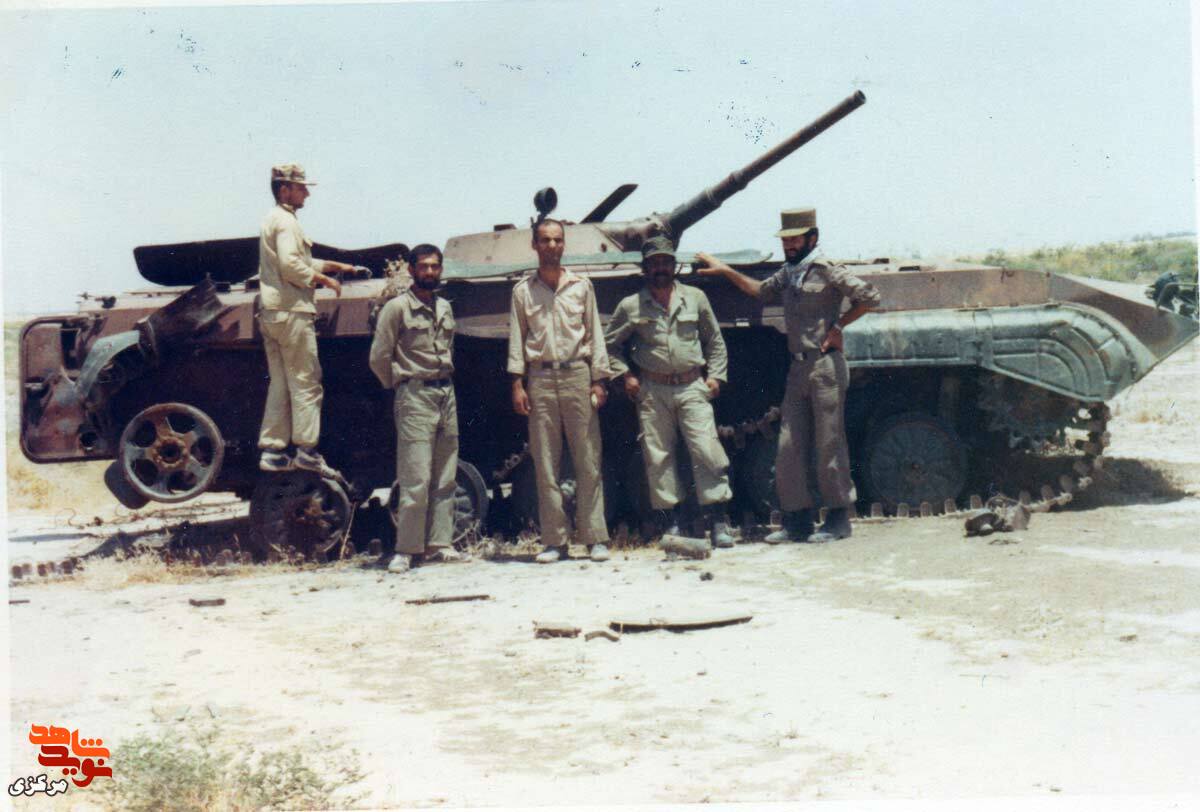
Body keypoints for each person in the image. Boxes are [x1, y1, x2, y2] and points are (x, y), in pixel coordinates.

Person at [696, 208, 880, 542]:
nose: (789, 245)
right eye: (786, 240)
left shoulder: (826, 269)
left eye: (795, 239)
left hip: (825, 366)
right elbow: (759, 290)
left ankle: (838, 519)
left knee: (829, 444)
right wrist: (725, 270)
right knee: (788, 445)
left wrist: (839, 325)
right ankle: (797, 520)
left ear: (812, 238)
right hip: (797, 367)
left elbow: (870, 297)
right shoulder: (789, 273)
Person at [604, 236, 735, 548]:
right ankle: (672, 523)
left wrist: (716, 376)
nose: (660, 268)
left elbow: (714, 341)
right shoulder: (631, 306)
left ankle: (718, 521)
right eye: (654, 263)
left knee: (706, 448)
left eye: (665, 262)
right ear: (645, 268)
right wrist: (625, 376)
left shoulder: (695, 298)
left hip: (692, 385)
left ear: (674, 266)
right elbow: (609, 347)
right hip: (652, 389)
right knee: (658, 456)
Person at [507, 218, 613, 563]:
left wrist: (599, 379)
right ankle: (555, 541)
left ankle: (595, 538)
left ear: (563, 244)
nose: (551, 246)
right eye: (545, 240)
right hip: (540, 377)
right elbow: (517, 339)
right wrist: (517, 383)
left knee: (588, 459)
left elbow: (595, 333)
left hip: (577, 375)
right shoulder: (523, 291)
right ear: (534, 245)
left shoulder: (581, 286)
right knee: (545, 463)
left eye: (557, 240)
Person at [369, 244, 466, 573]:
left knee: (445, 475)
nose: (429, 272)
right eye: (423, 266)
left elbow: (448, 349)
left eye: (434, 266)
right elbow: (379, 356)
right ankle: (408, 549)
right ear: (411, 270)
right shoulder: (396, 308)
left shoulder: (444, 307)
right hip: (415, 396)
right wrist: (399, 385)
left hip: (445, 394)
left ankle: (440, 544)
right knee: (416, 477)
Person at [256, 163, 356, 476]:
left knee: (281, 383)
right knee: (306, 382)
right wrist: (324, 280)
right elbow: (291, 266)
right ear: (284, 189)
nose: (307, 194)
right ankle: (306, 451)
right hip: (293, 312)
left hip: (273, 311)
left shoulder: (274, 218)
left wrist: (337, 265)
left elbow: (296, 260)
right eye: (301, 188)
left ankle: (273, 450)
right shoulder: (286, 222)